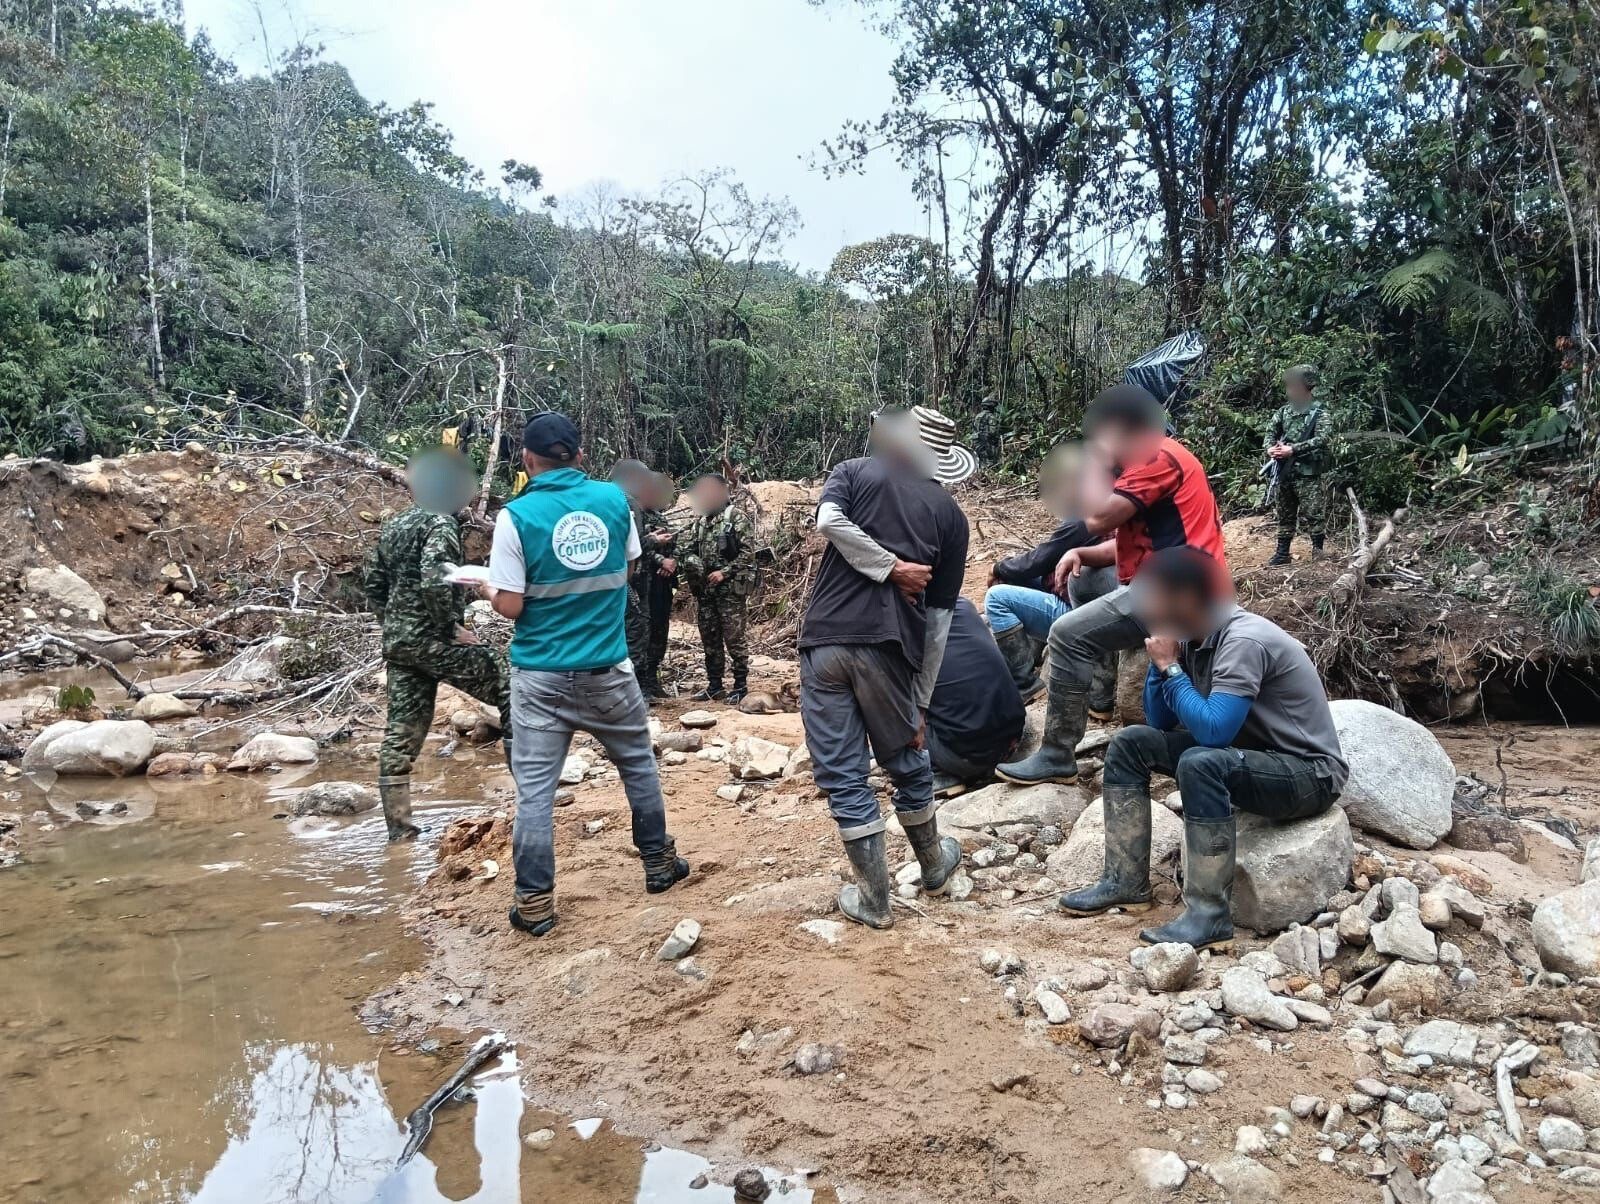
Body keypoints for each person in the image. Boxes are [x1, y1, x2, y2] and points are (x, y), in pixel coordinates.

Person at [1057, 546, 1348, 949]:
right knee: (1130, 743)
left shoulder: (1244, 640)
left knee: (1200, 762)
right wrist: (1162, 667)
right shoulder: (1190, 635)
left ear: (1188, 599)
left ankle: (1209, 915)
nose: (1143, 609)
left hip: (1308, 773)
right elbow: (1158, 723)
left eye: (1152, 599)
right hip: (1250, 757)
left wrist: (1171, 669)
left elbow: (1213, 734)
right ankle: (1124, 881)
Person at [487, 413, 689, 937]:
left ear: (527, 460)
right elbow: (626, 568)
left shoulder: (516, 517)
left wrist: (485, 588)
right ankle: (660, 866)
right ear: (580, 456)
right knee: (639, 770)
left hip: (540, 678)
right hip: (610, 670)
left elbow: (509, 606)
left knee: (534, 793)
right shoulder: (613, 502)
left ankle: (534, 903)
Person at [997, 383, 1227, 787]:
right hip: (1174, 580)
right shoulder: (1155, 460)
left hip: (1179, 591)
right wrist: (1086, 554)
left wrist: (1024, 563)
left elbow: (1100, 519)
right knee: (1084, 594)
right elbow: (1139, 541)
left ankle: (1057, 754)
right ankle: (1106, 704)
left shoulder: (1158, 456)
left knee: (1067, 634)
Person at [800, 405, 971, 929]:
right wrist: (920, 701)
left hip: (824, 641)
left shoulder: (852, 471)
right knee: (905, 758)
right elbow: (939, 621)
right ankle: (935, 866)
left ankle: (874, 900)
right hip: (890, 650)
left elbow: (828, 521)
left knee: (844, 774)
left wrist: (880, 564)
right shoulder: (950, 516)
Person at [362, 448, 510, 842]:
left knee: (402, 729)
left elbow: (373, 584)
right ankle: (528, 797)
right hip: (433, 639)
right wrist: (450, 628)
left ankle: (399, 830)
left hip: (400, 643)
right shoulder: (441, 525)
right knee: (508, 683)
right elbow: (435, 579)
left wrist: (393, 624)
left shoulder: (392, 526)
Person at [985, 441, 1120, 710]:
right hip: (1090, 598)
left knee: (996, 597)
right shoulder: (1118, 505)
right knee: (1016, 577)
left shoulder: (1088, 515)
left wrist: (998, 568)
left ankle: (1024, 683)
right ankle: (1031, 659)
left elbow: (1038, 560)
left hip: (1076, 612)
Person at [926, 598, 1027, 792]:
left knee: (890, 693)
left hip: (965, 757)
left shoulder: (900, 626)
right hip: (1014, 738)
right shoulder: (962, 604)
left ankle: (938, 772)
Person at [679, 473, 757, 704]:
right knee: (710, 639)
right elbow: (686, 548)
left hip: (730, 592)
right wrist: (692, 563)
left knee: (734, 639)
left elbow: (748, 554)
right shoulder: (701, 523)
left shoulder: (736, 518)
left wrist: (725, 572)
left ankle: (741, 686)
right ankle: (715, 685)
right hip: (706, 592)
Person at [1265, 364, 1334, 565]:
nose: (1289, 390)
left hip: (1307, 472)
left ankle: (1318, 551)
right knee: (1285, 514)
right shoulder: (1284, 412)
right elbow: (1270, 431)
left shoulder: (1319, 412)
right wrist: (1270, 448)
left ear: (1306, 387)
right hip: (1285, 472)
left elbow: (1323, 438)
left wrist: (1293, 449)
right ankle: (1282, 553)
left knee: (1314, 514)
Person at [609, 458, 654, 682]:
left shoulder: (602, 500)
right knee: (635, 632)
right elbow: (632, 549)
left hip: (607, 582)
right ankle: (633, 688)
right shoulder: (627, 503)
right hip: (628, 583)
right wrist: (652, 541)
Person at [639, 472, 679, 700]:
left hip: (663, 583)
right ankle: (641, 683)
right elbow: (635, 546)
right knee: (643, 632)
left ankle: (653, 679)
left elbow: (675, 544)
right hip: (643, 582)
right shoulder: (635, 516)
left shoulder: (660, 517)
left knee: (660, 631)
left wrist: (672, 562)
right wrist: (659, 560)